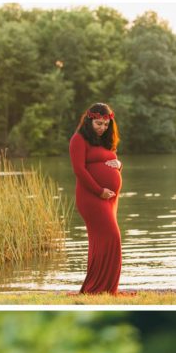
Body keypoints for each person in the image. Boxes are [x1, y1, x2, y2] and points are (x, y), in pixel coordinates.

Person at [68, 103, 122, 297]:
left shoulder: (104, 141)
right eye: (99, 124)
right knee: (111, 237)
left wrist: (119, 165)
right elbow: (79, 170)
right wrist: (99, 191)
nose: (102, 128)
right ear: (89, 120)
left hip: (109, 199)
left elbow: (110, 162)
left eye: (106, 125)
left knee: (103, 241)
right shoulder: (78, 140)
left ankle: (105, 289)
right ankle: (98, 286)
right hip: (91, 197)